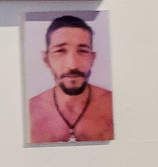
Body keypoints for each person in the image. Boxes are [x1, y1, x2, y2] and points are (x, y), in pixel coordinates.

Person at [28, 15, 114, 143]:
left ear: (92, 58)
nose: (72, 65)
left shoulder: (114, 107)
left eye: (82, 51)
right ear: (46, 59)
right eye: (60, 51)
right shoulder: (29, 113)